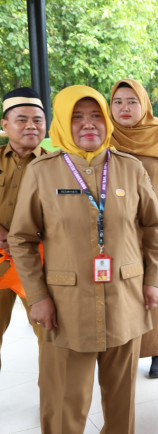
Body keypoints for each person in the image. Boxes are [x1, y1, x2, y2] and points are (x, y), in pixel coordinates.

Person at [8, 85, 158, 434]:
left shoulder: (129, 167)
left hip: (126, 300)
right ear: (64, 122)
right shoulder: (43, 171)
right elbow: (20, 238)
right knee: (64, 405)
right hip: (66, 308)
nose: (88, 124)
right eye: (76, 117)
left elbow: (156, 226)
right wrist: (37, 297)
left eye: (95, 114)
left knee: (122, 407)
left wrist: (153, 279)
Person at [109, 78, 158, 378]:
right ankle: (126, 346)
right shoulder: (105, 135)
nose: (124, 108)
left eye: (132, 101)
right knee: (123, 288)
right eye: (118, 102)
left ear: (144, 103)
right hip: (119, 227)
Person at [0, 87, 46, 370]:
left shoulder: (58, 164)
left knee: (51, 336)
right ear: (5, 125)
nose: (31, 125)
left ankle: (53, 407)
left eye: (38, 119)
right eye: (21, 119)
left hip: (39, 264)